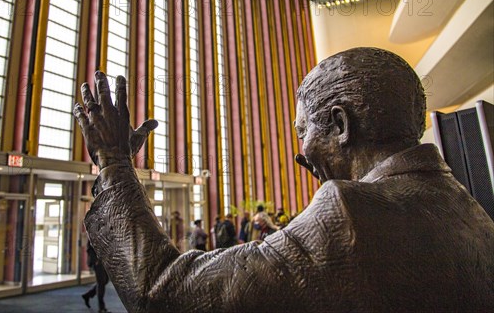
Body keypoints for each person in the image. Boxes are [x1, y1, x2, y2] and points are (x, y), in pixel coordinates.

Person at [74, 50, 494, 312]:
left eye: (302, 131)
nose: (304, 150)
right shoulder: (468, 210)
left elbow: (162, 294)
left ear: (340, 125)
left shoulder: (346, 213)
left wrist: (113, 161)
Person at [81, 242, 109, 312]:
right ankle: (101, 308)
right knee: (101, 282)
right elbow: (89, 248)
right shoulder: (94, 231)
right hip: (97, 262)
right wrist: (95, 260)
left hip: (103, 261)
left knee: (105, 280)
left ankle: (87, 295)